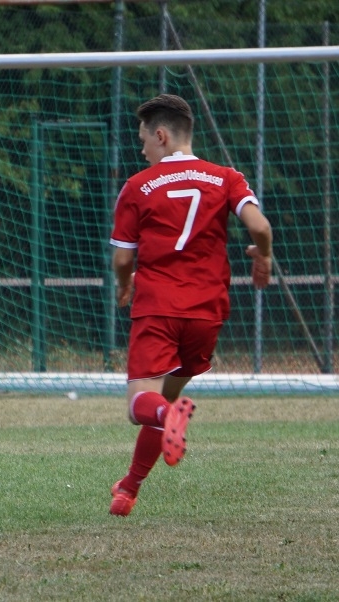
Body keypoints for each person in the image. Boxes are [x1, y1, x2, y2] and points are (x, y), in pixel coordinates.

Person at [108, 94, 273, 516]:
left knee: (140, 408)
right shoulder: (226, 177)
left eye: (143, 140)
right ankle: (128, 489)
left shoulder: (138, 186)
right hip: (206, 312)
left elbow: (123, 259)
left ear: (161, 136)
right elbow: (259, 225)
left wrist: (124, 285)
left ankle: (169, 417)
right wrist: (264, 255)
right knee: (163, 407)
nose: (142, 149)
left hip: (158, 307)